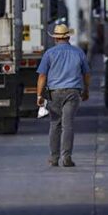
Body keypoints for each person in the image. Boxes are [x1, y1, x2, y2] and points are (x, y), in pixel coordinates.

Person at [36, 24, 90, 167]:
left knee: (55, 124)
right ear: (68, 37)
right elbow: (86, 74)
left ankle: (54, 158)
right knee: (68, 125)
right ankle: (67, 157)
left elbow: (42, 76)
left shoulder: (49, 53)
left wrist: (39, 95)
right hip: (73, 92)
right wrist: (86, 91)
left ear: (55, 38)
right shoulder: (78, 52)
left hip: (54, 93)